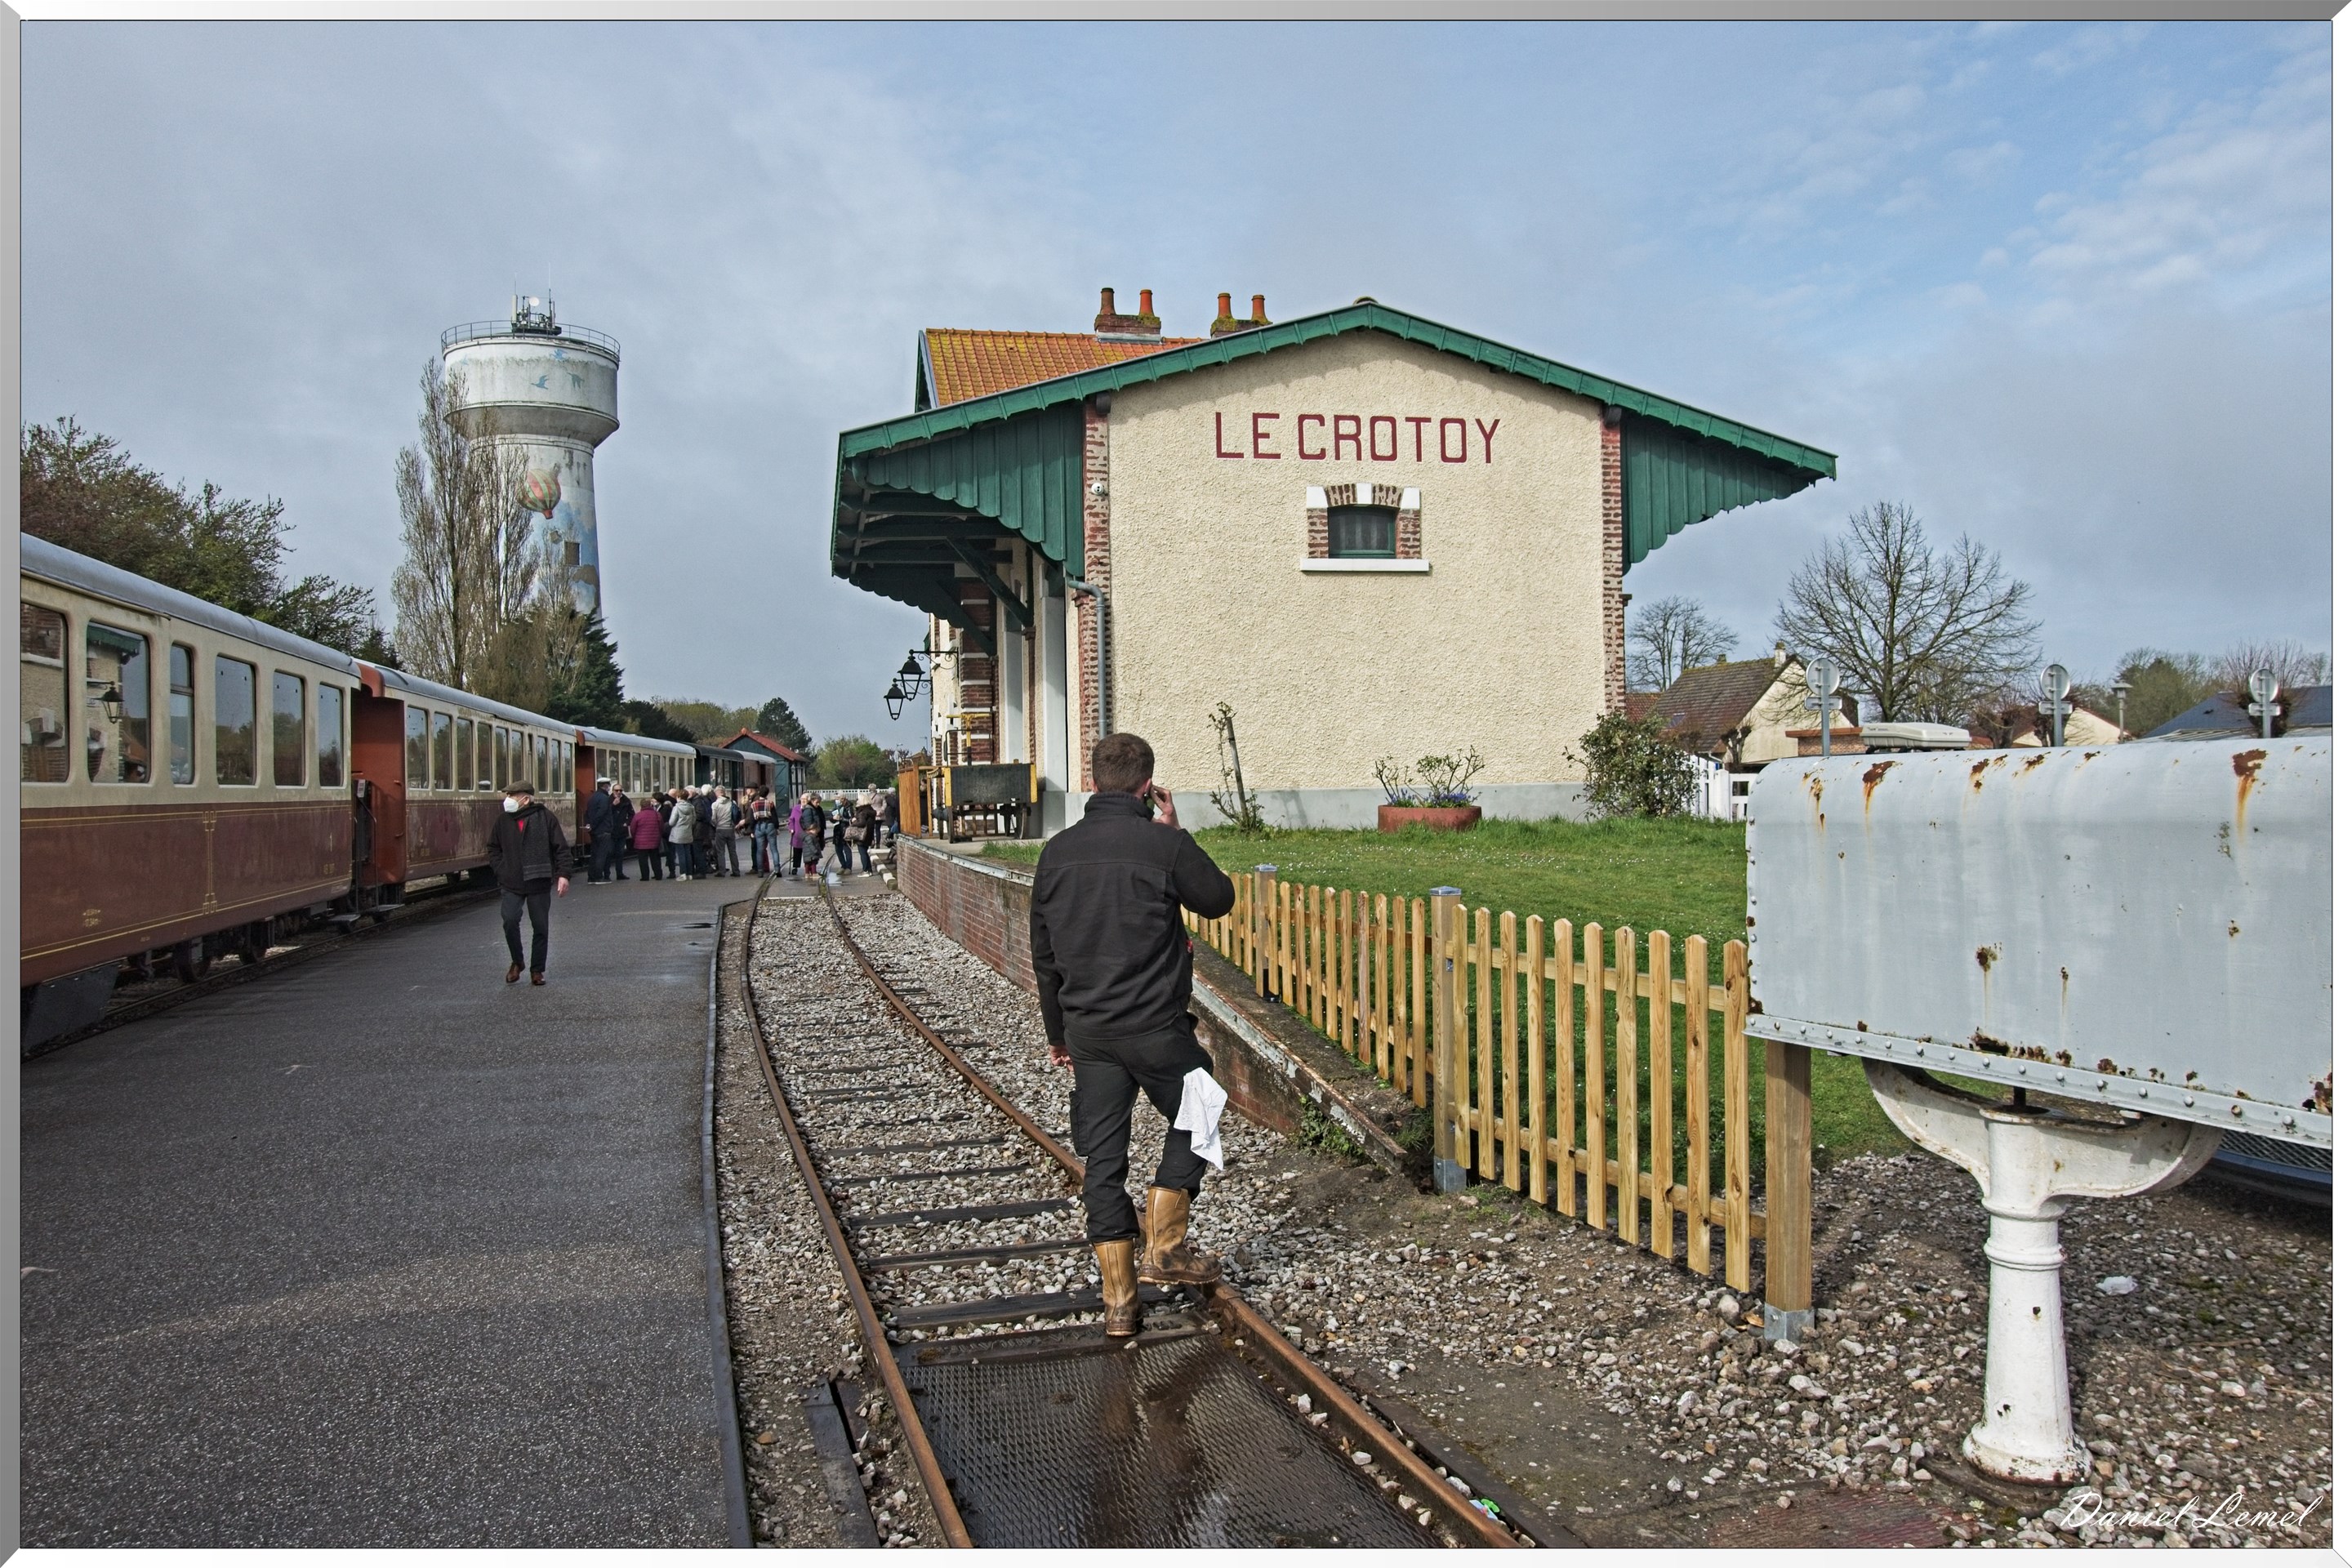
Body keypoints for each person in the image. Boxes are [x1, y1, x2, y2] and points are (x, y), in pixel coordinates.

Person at [1028, 733, 1237, 1338]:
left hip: (1089, 1031)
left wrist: (1058, 1032)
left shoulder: (1056, 854)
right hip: (1156, 1028)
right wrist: (1175, 833)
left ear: (1093, 782)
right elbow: (1218, 898)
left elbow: (1044, 955)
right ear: (1148, 785)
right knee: (1201, 1106)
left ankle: (1119, 1303)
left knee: (1102, 1157)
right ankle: (1166, 1245)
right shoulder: (1161, 845)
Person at [487, 779, 572, 985]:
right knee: (509, 920)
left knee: (540, 926)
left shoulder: (545, 818)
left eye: (511, 796)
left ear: (525, 799)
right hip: (511, 881)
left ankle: (537, 970)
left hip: (539, 880)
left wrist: (563, 875)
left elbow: (560, 848)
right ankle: (517, 962)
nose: (507, 800)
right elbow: (493, 848)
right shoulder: (503, 820)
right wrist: (501, 869)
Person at [585, 776, 617, 884]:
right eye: (609, 786)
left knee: (594, 854)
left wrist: (589, 825)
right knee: (602, 854)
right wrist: (594, 825)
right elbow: (601, 814)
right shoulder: (604, 799)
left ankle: (591, 877)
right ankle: (598, 877)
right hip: (603, 830)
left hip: (594, 831)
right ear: (606, 786)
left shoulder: (592, 798)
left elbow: (587, 813)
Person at [630, 792, 666, 883]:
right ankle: (658, 875)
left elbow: (633, 829)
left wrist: (635, 837)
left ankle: (645, 876)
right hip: (654, 841)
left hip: (641, 842)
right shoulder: (657, 814)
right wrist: (658, 835)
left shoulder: (637, 816)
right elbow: (661, 827)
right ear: (650, 805)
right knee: (655, 859)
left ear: (641, 806)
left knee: (643, 860)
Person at [669, 787, 700, 880]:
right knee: (688, 854)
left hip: (678, 834)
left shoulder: (676, 808)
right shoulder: (691, 807)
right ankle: (689, 874)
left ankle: (683, 874)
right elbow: (694, 820)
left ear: (678, 797)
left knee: (681, 854)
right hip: (688, 832)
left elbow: (672, 822)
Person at [711, 787, 742, 877]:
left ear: (717, 793)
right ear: (724, 793)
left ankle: (722, 871)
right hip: (730, 829)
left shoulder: (715, 804)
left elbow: (713, 818)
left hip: (720, 829)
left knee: (720, 851)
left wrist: (716, 825)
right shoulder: (732, 802)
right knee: (732, 851)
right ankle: (736, 871)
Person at [847, 794, 878, 874]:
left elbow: (861, 823)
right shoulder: (870, 810)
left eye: (858, 800)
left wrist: (853, 822)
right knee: (865, 852)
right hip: (869, 834)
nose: (857, 801)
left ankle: (866, 870)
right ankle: (869, 870)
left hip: (862, 835)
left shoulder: (862, 812)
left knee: (863, 853)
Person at [749, 791, 778, 875]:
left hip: (758, 826)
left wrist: (752, 830)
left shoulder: (754, 804)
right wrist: (776, 828)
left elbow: (752, 819)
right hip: (769, 825)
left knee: (760, 850)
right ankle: (777, 868)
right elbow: (774, 817)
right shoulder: (770, 803)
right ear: (767, 794)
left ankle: (760, 871)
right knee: (774, 849)